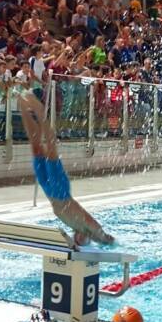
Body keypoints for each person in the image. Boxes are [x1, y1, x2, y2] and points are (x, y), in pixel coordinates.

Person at [18, 86, 114, 246]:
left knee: (36, 148)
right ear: (87, 237)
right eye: (82, 240)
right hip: (61, 191)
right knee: (50, 149)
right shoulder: (91, 227)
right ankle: (40, 112)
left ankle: (23, 107)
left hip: (49, 191)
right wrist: (107, 240)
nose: (78, 240)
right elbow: (107, 239)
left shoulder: (73, 226)